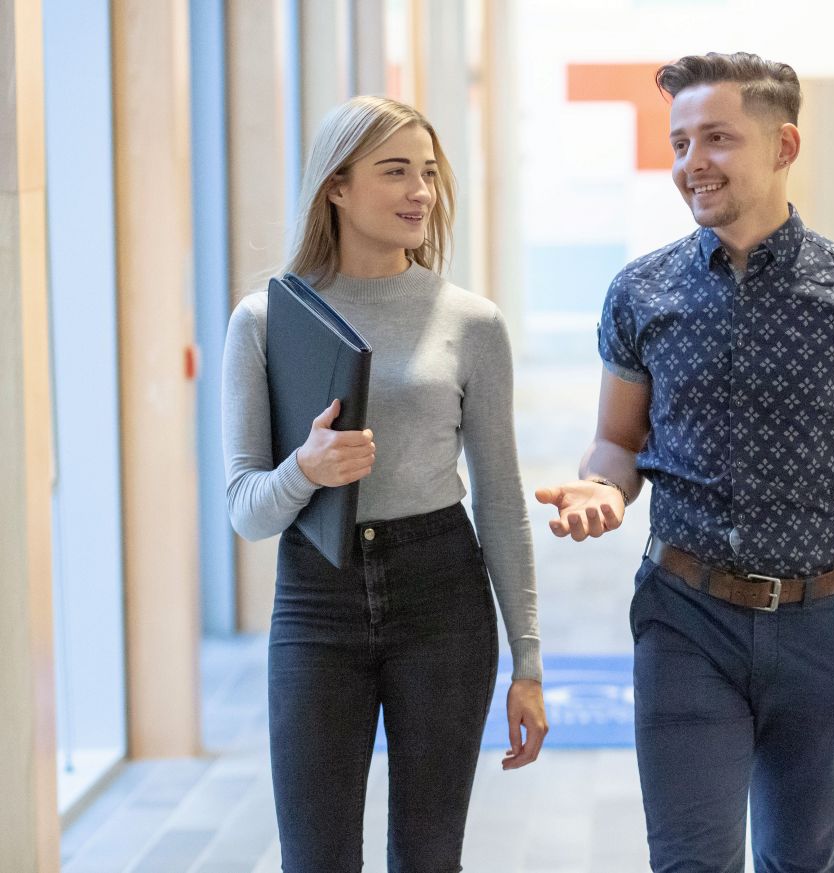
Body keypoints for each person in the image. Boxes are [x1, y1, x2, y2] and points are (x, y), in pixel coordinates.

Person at [536, 52, 834, 872]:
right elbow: (617, 439)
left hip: (825, 626)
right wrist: (602, 486)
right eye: (679, 142)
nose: (690, 164)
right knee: (690, 861)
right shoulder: (641, 292)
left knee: (800, 859)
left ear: (783, 146)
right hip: (685, 619)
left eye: (715, 138)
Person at [222, 95, 547, 872]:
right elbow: (244, 510)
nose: (420, 194)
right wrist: (306, 469)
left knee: (429, 857)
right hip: (315, 599)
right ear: (335, 186)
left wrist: (528, 662)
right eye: (395, 171)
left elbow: (500, 498)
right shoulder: (265, 320)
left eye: (428, 174)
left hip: (442, 593)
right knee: (316, 857)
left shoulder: (471, 322)